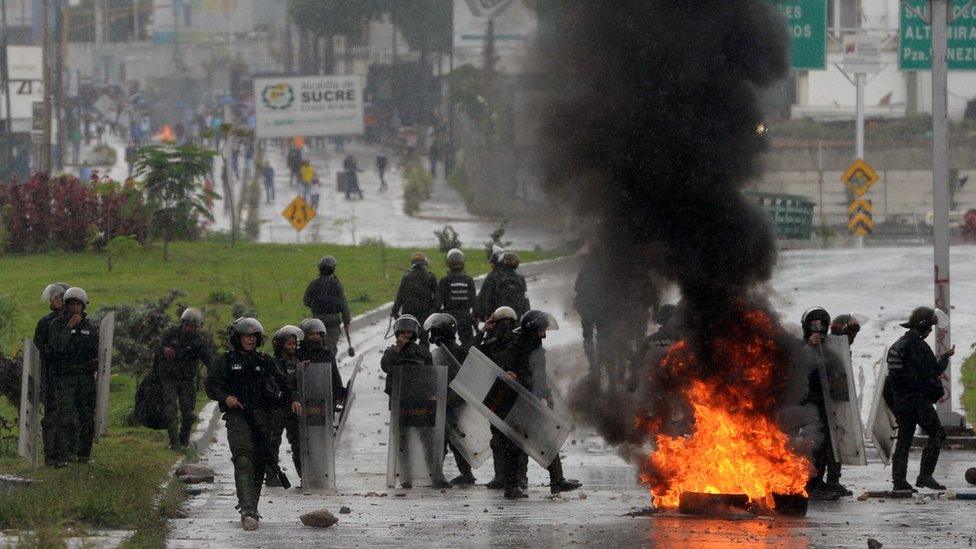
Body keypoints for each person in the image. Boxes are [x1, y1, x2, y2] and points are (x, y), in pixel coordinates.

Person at [205, 317, 298, 531]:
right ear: (237, 338)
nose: (250, 340)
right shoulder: (226, 361)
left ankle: (252, 507)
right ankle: (247, 509)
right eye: (247, 336)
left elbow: (283, 380)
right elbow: (211, 385)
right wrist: (226, 397)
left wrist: (293, 398)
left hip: (262, 417)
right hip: (238, 416)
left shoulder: (264, 360)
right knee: (243, 458)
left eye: (254, 336)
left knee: (259, 461)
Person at [497, 310, 581, 499]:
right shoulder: (515, 347)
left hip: (534, 402)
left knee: (548, 440)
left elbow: (539, 376)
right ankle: (511, 486)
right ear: (531, 329)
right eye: (541, 330)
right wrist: (509, 373)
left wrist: (547, 396)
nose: (544, 335)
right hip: (518, 403)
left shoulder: (536, 348)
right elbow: (506, 369)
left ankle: (557, 481)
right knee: (515, 444)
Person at [884, 306, 953, 492]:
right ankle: (925, 476)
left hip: (900, 401)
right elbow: (933, 371)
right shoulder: (917, 345)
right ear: (923, 325)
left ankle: (899, 481)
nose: (931, 331)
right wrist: (945, 358)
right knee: (938, 434)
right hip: (916, 400)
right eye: (930, 327)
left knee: (904, 440)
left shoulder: (898, 343)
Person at [380, 315, 446, 488]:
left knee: (428, 440)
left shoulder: (423, 352)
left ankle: (435, 474)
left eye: (409, 332)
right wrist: (397, 349)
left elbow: (431, 375)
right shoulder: (391, 351)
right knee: (403, 442)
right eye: (403, 333)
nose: (406, 336)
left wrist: (433, 395)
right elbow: (386, 366)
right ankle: (406, 477)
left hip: (421, 402)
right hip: (401, 403)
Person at [45, 287, 99, 467]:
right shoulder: (57, 325)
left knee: (86, 416)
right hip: (65, 377)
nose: (75, 308)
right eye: (72, 304)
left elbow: (96, 350)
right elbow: (56, 346)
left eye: (78, 304)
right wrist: (69, 326)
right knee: (65, 416)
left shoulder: (90, 327)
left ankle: (83, 454)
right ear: (66, 306)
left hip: (85, 378)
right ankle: (63, 455)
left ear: (83, 306)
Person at [425, 313, 475, 486]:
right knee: (453, 439)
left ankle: (436, 474)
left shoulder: (453, 352)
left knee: (443, 439)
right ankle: (464, 473)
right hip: (451, 400)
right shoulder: (446, 351)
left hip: (452, 400)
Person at [156, 308, 214, 449]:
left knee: (187, 413)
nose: (187, 328)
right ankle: (174, 442)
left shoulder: (199, 342)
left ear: (196, 328)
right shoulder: (171, 334)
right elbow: (159, 347)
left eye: (191, 326)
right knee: (170, 408)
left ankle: (184, 439)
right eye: (186, 325)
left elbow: (209, 361)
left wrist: (213, 376)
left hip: (187, 380)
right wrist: (165, 350)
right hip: (169, 378)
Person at [475, 306, 520, 490]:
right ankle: (500, 476)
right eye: (501, 323)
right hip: (495, 396)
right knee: (497, 440)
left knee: (517, 439)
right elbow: (472, 353)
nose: (505, 327)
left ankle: (519, 476)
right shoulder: (491, 343)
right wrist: (483, 331)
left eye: (508, 323)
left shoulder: (518, 343)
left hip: (515, 396)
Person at [34, 282, 71, 467]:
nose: (52, 299)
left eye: (57, 297)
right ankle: (50, 455)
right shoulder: (44, 323)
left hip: (71, 374)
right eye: (52, 296)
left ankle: (66, 454)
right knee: (51, 416)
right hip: (52, 375)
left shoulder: (76, 320)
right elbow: (38, 351)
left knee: (69, 416)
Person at [268, 325, 304, 486]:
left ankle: (304, 475)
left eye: (294, 344)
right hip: (278, 408)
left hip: (293, 408)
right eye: (289, 344)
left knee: (297, 442)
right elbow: (282, 383)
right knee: (274, 441)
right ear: (281, 345)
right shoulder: (275, 363)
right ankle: (271, 476)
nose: (293, 347)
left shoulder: (297, 362)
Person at [303, 256, 352, 355]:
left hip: (317, 319)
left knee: (316, 345)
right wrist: (346, 320)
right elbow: (343, 304)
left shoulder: (314, 284)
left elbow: (306, 301)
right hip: (333, 320)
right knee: (330, 347)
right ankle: (330, 365)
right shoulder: (337, 284)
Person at [391, 253, 439, 345]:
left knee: (407, 340)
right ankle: (424, 358)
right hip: (425, 314)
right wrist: (434, 311)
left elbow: (400, 296)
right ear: (424, 264)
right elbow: (437, 297)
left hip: (409, 314)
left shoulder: (406, 278)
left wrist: (395, 311)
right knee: (424, 339)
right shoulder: (430, 277)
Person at [297, 318, 346, 406]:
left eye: (318, 334)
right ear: (305, 337)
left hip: (324, 396)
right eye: (311, 334)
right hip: (304, 396)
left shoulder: (327, 354)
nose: (315, 337)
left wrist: (338, 396)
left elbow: (335, 375)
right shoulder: (298, 354)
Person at [438, 249, 478, 350]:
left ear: (448, 264)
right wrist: (476, 315)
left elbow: (438, 302)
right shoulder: (468, 280)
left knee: (448, 345)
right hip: (465, 317)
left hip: (449, 318)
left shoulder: (444, 281)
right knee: (468, 343)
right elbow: (474, 300)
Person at [477, 251, 530, 322]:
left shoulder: (495, 276)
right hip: (516, 317)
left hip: (498, 316)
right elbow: (525, 299)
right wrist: (527, 315)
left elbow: (488, 297)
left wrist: (487, 315)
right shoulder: (520, 279)